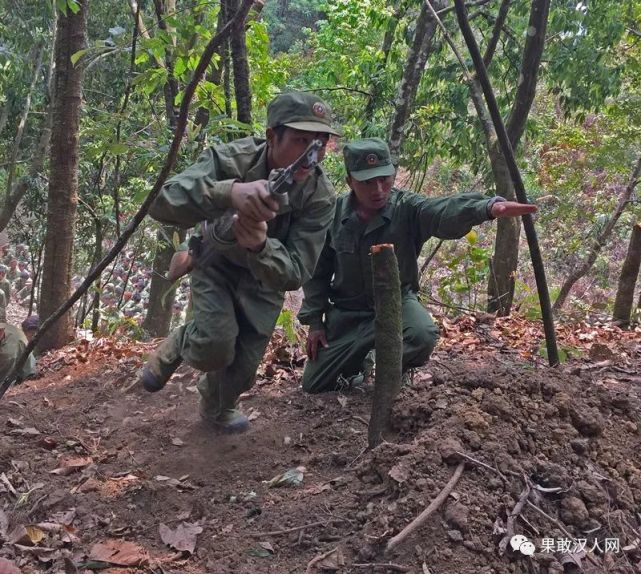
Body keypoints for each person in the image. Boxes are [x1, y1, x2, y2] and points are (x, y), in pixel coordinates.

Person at [140, 90, 341, 432]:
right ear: (271, 136)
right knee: (214, 347)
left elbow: (295, 272)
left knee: (243, 370)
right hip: (216, 262)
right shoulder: (233, 159)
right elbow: (162, 201)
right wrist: (228, 192)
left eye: (320, 144)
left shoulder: (319, 196)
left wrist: (262, 246)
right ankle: (181, 342)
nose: (312, 155)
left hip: (264, 280)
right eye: (300, 141)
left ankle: (216, 407)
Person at [298, 138, 537, 393]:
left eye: (384, 179)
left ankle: (387, 368)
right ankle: (361, 364)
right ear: (350, 182)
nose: (378, 189)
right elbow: (316, 272)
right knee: (314, 384)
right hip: (348, 313)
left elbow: (441, 210)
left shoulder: (407, 207)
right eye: (367, 182)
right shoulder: (333, 216)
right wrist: (315, 322)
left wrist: (487, 208)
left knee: (422, 334)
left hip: (398, 304)